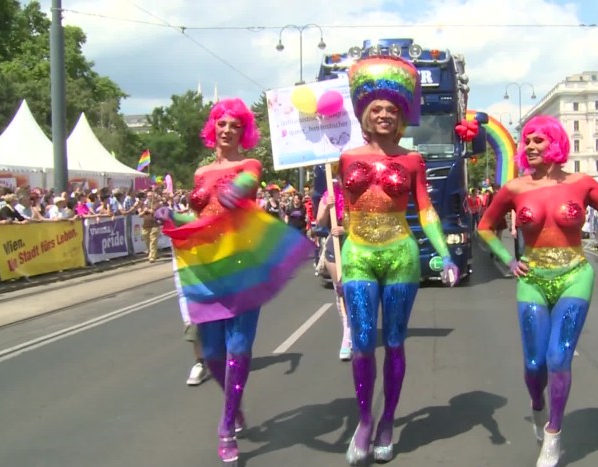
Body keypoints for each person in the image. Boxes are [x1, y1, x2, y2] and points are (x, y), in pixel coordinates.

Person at [156, 98, 310, 465]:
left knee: (238, 348)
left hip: (241, 263)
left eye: (234, 125)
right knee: (211, 355)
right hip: (205, 265)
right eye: (221, 124)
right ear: (213, 129)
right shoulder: (200, 173)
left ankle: (226, 426)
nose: (227, 130)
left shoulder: (249, 164)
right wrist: (171, 214)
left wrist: (238, 189)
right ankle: (234, 403)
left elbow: (247, 181)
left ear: (244, 132)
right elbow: (197, 215)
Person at [477, 115, 598, 467]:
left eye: (539, 140)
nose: (530, 146)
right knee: (534, 366)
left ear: (556, 144)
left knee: (558, 358)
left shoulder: (581, 183)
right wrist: (507, 259)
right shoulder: (515, 189)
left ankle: (554, 434)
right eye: (527, 141)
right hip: (533, 279)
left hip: (575, 276)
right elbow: (485, 227)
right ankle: (538, 407)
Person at [341, 55, 458, 465]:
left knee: (393, 342)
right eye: (377, 109)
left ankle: (388, 419)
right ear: (364, 114)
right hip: (357, 253)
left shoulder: (412, 160)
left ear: (402, 115)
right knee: (360, 345)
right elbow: (341, 203)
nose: (385, 114)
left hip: (401, 255)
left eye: (392, 109)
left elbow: (425, 210)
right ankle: (364, 420)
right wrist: (328, 219)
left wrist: (445, 254)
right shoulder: (344, 157)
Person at [315, 174, 352, 361]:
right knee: (341, 290)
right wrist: (328, 207)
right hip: (335, 247)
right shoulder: (328, 194)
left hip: (355, 246)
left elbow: (367, 221)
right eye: (338, 171)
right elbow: (320, 222)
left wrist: (346, 229)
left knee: (355, 288)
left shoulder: (357, 192)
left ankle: (359, 326)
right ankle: (347, 333)